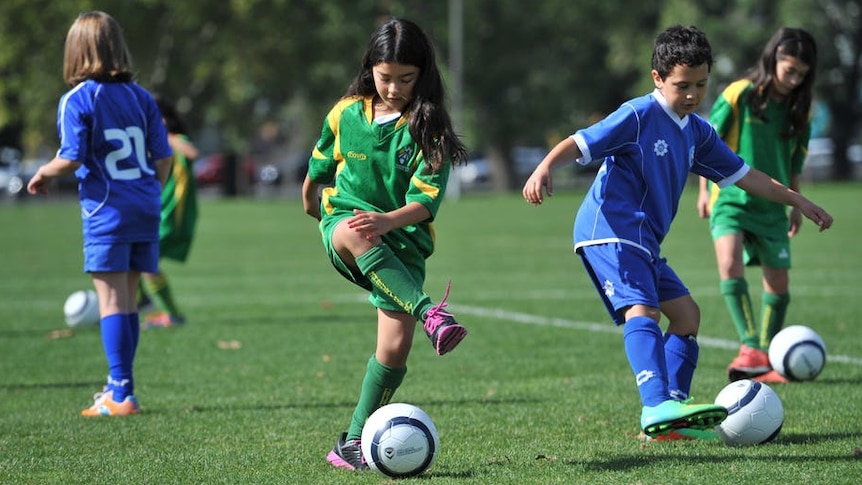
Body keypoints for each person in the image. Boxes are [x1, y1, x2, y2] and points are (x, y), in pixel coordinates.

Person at [522, 25, 833, 441]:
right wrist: (544, 166)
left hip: (644, 240)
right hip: (610, 228)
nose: (692, 94)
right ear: (657, 79)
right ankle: (655, 405)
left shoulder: (697, 131)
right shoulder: (638, 115)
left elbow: (745, 176)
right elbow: (582, 142)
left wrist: (796, 199)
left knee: (688, 316)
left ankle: (671, 415)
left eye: (701, 84)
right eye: (682, 85)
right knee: (644, 309)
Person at [301, 18, 468, 470]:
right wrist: (311, 201)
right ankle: (430, 311)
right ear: (369, 68)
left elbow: (425, 203)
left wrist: (387, 220)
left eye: (406, 79)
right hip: (346, 223)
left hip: (404, 242)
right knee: (356, 230)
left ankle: (353, 442)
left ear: (424, 74)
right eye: (385, 76)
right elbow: (318, 165)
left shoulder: (428, 126)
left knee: (393, 350)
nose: (394, 87)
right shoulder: (346, 113)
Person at [27, 11, 172, 416]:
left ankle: (120, 394)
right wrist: (148, 193)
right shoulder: (141, 96)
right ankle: (120, 387)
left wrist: (42, 172)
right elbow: (163, 156)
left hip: (107, 210)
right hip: (144, 205)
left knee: (110, 300)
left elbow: (70, 158)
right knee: (127, 299)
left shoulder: (78, 99)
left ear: (75, 52)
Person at [696, 28, 818, 384]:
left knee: (777, 282)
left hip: (773, 205)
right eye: (789, 69)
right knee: (729, 262)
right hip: (731, 198)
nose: (793, 79)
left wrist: (795, 204)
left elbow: (794, 162)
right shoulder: (740, 94)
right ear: (773, 60)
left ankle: (768, 355)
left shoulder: (800, 110)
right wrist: (704, 190)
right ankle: (750, 346)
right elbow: (707, 143)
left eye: (801, 74)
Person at [139, 95, 200, 329]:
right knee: (138, 260)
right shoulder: (155, 143)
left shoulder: (175, 140)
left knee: (145, 262)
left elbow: (192, 153)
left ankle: (169, 314)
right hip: (156, 211)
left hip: (172, 215)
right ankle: (145, 305)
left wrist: (166, 136)